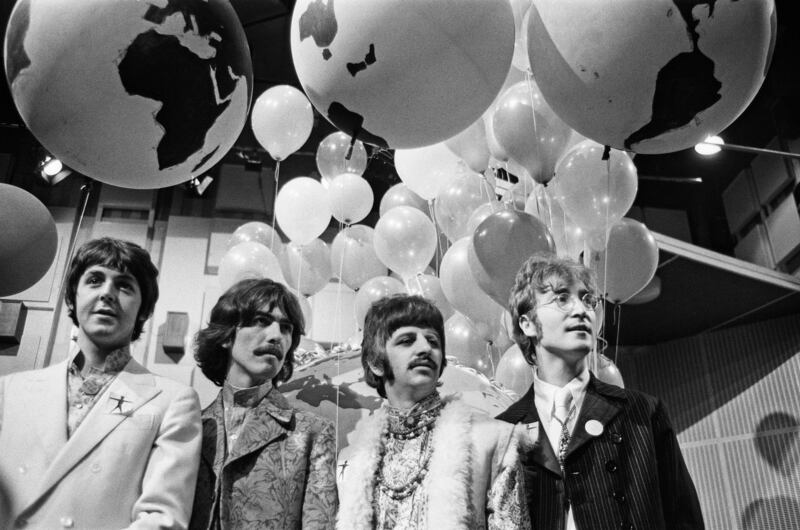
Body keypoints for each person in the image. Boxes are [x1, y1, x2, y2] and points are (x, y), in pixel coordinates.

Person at [0, 237, 202, 529]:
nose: (107, 293)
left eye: (124, 285)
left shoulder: (172, 400)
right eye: (95, 280)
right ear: (72, 297)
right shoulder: (11, 390)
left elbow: (161, 518)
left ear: (143, 310)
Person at [496, 252, 705, 530]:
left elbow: (684, 519)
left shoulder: (642, 412)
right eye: (561, 298)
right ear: (527, 323)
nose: (581, 310)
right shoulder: (504, 430)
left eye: (587, 300)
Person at [337, 294, 530, 530]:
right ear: (376, 363)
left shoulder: (491, 439)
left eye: (433, 341)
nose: (425, 348)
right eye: (407, 340)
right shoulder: (352, 459)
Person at [191, 278, 337, 530]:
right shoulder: (190, 427)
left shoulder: (312, 432)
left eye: (285, 328)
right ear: (226, 335)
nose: (276, 336)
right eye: (261, 321)